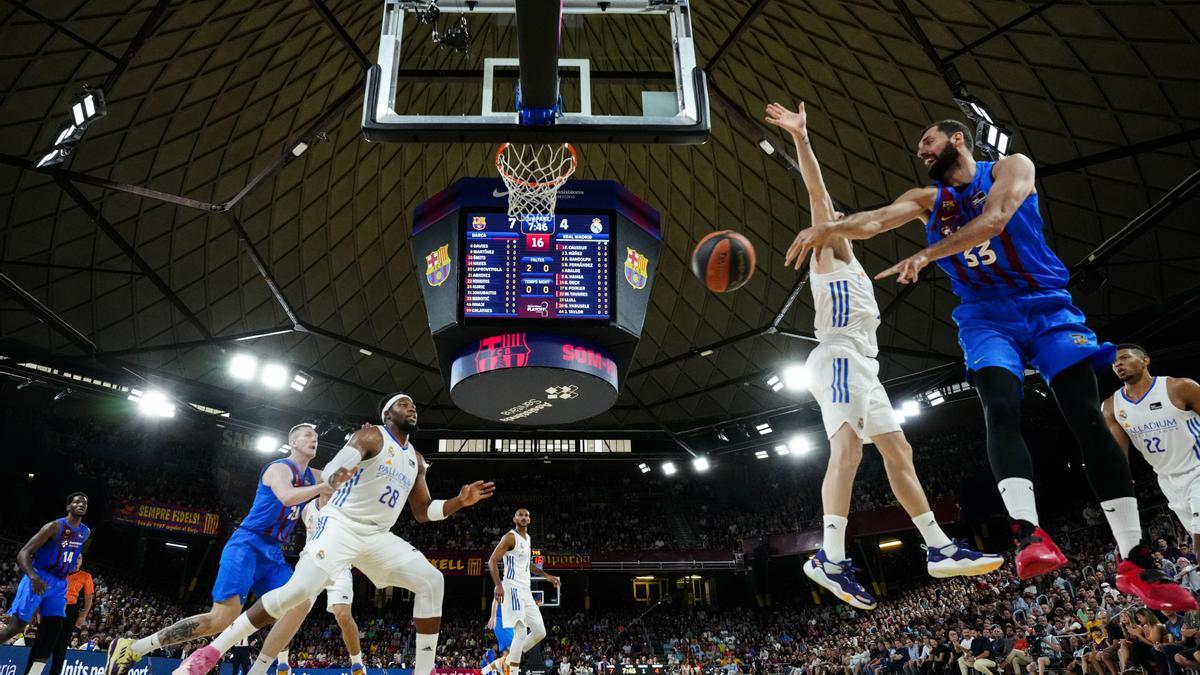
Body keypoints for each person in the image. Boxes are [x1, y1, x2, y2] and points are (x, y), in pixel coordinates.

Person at [784, 114, 1195, 610]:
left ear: (958, 139)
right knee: (987, 408)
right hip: (941, 329)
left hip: (1041, 305)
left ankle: (1125, 557)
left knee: (1074, 416)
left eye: (928, 140)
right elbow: (858, 217)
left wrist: (924, 253)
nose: (922, 151)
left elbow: (995, 219)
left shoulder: (1009, 167)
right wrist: (819, 203)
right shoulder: (895, 217)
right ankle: (1018, 533)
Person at [764, 101, 1002, 610]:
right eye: (839, 219)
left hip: (861, 367)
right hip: (837, 358)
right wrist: (802, 139)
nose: (844, 220)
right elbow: (816, 193)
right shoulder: (831, 251)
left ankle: (939, 547)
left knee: (898, 450)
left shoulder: (851, 262)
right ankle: (829, 558)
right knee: (848, 451)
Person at [169, 393, 494, 675]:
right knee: (296, 594)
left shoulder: (417, 460)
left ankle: (425, 670)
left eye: (414, 406)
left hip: (378, 535)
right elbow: (339, 467)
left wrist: (458, 502)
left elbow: (424, 512)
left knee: (432, 581)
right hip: (340, 524)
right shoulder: (370, 437)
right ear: (387, 414)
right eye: (405, 405)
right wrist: (340, 471)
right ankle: (210, 652)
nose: (413, 409)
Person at [107, 424, 333, 675]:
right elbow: (287, 496)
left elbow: (347, 475)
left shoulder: (313, 474)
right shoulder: (278, 468)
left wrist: (369, 444)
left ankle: (258, 671)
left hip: (273, 552)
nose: (314, 439)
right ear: (293, 442)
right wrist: (321, 488)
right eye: (308, 435)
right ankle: (134, 647)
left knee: (300, 603)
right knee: (221, 619)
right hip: (247, 544)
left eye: (316, 437)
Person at [244, 493, 365, 675]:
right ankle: (283, 664)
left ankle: (357, 664)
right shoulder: (307, 509)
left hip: (339, 567)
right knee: (288, 611)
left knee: (343, 615)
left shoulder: (347, 507)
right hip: (311, 565)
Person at [1104, 344, 1200, 553]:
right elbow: (1119, 454)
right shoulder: (1112, 406)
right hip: (1167, 480)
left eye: (1124, 358)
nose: (1118, 364)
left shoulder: (1179, 387)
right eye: (1114, 362)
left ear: (1145, 360)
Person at [0, 492, 91, 675]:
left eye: (85, 502)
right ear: (68, 507)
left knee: (54, 629)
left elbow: (71, 554)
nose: (82, 504)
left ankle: (34, 672)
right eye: (77, 501)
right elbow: (23, 554)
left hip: (59, 583)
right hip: (39, 577)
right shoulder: (54, 527)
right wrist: (33, 577)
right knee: (16, 628)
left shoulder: (85, 532)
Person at [487, 508, 561, 675]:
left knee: (540, 632)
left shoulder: (527, 539)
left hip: (526, 591)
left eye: (527, 515)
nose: (524, 517)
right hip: (512, 588)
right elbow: (492, 561)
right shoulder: (510, 537)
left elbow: (529, 565)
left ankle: (507, 659)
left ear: (530, 519)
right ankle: (512, 671)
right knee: (520, 631)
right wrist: (498, 586)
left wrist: (547, 576)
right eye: (520, 515)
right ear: (515, 519)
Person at [46, 558, 95, 675]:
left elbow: (89, 597)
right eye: (76, 557)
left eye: (80, 558)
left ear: (82, 561)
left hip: (70, 610)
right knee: (47, 641)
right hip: (54, 606)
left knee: (61, 646)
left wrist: (83, 615)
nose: (78, 560)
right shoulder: (59, 571)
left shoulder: (86, 576)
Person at [481, 597, 513, 675]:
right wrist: (493, 616)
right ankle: (488, 669)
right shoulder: (503, 587)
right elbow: (495, 600)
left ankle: (503, 672)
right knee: (511, 651)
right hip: (501, 622)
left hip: (508, 624)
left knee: (507, 653)